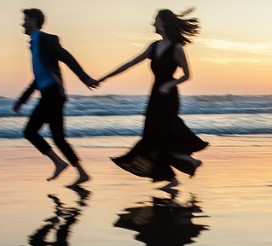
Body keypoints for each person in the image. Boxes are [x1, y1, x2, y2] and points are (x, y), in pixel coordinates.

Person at [98, 9, 208, 188]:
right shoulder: (154, 46)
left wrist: (170, 84)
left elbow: (187, 75)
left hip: (168, 96)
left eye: (156, 20)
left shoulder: (177, 48)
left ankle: (183, 166)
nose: (153, 23)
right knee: (152, 136)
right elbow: (129, 64)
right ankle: (174, 175)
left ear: (164, 23)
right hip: (155, 95)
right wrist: (104, 78)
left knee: (162, 135)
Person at [13, 8, 99, 187]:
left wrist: (85, 78)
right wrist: (23, 99)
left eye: (25, 19)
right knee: (58, 138)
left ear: (34, 20)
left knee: (30, 132)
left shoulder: (45, 40)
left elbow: (67, 57)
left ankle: (59, 162)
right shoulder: (34, 44)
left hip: (53, 94)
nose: (22, 23)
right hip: (50, 94)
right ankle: (82, 173)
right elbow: (38, 78)